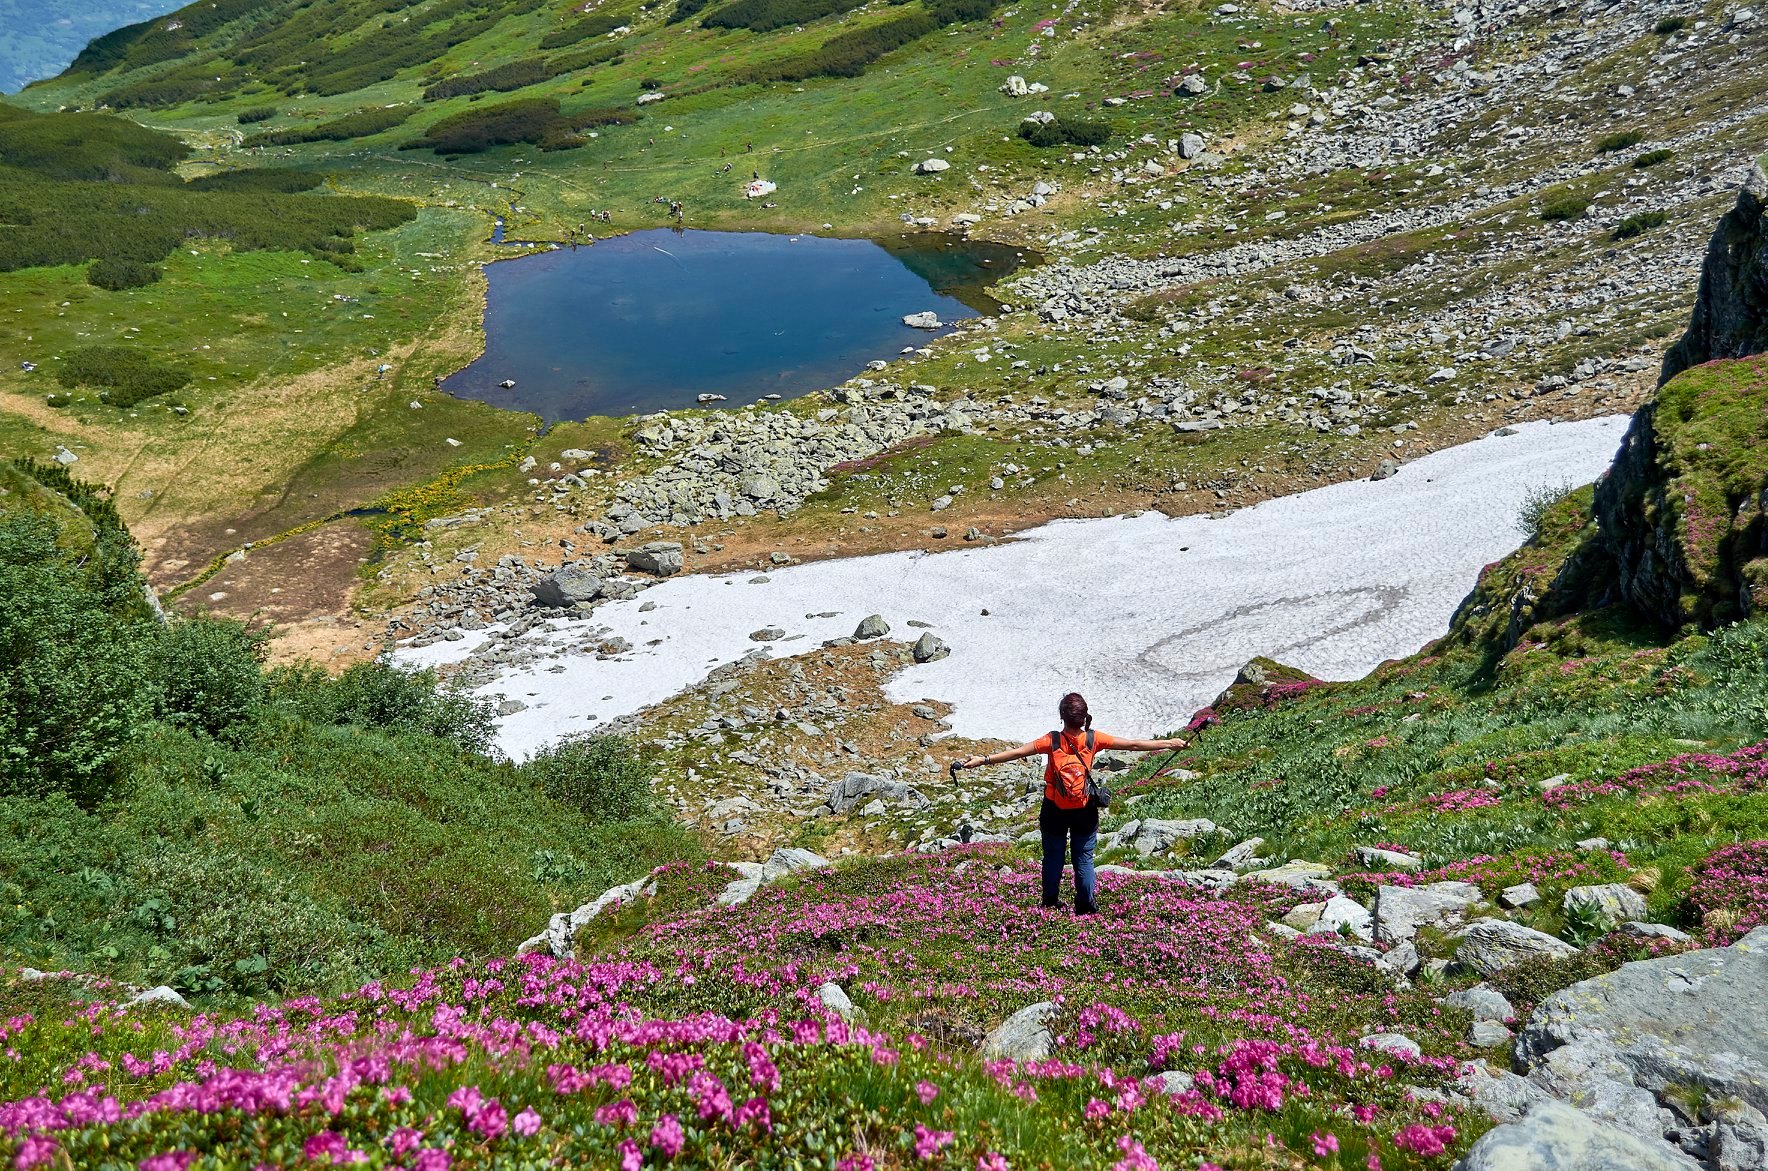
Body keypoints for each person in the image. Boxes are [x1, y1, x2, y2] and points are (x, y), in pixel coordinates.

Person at [955, 693, 1197, 914]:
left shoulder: (1052, 740)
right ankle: (1086, 908)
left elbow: (1019, 752)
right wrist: (1169, 743)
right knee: (1084, 859)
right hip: (1084, 810)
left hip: (1054, 809)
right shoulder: (1093, 739)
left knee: (1053, 858)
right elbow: (1133, 745)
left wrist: (983, 760)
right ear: (1084, 717)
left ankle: (1049, 903)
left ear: (1062, 717)